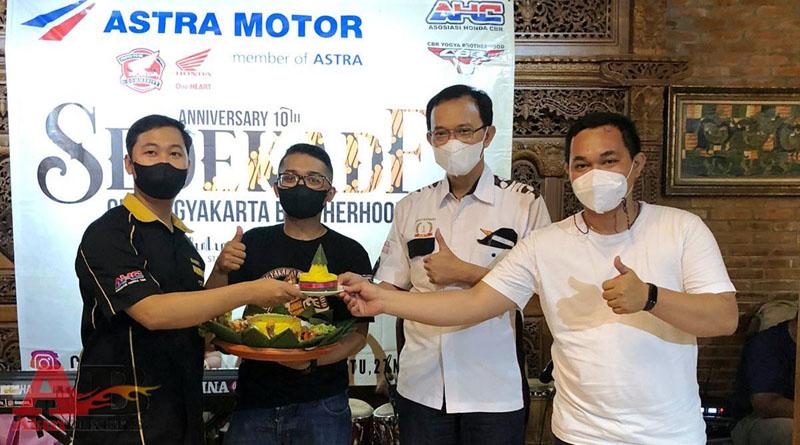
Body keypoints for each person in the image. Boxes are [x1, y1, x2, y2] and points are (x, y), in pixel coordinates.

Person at [341, 112, 739, 445]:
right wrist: (383, 299)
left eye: (608, 161)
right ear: (568, 172)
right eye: (581, 165)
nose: (594, 174)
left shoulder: (681, 228)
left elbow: (723, 317)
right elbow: (471, 303)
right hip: (578, 433)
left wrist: (650, 297)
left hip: (670, 433)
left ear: (636, 164)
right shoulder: (545, 244)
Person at [73, 115, 302, 444]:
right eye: (151, 152)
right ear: (129, 164)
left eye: (175, 153)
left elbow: (197, 320)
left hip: (181, 410)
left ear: (188, 166)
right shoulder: (110, 233)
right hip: (123, 418)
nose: (164, 161)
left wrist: (220, 271)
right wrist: (250, 291)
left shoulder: (184, 244)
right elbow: (152, 313)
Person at [370, 84, 551, 444]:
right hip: (422, 385)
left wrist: (468, 274)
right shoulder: (411, 207)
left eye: (464, 131)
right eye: (441, 133)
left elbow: (541, 298)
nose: (452, 142)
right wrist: (352, 290)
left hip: (493, 388)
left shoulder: (523, 204)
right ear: (430, 139)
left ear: (488, 135)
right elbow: (389, 287)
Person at [206, 143, 372, 445]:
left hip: (322, 403)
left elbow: (358, 335)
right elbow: (209, 312)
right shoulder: (252, 242)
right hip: (254, 401)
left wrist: (311, 363)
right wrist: (219, 269)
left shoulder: (350, 252)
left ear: (330, 193)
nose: (300, 185)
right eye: (290, 177)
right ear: (277, 188)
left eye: (313, 179)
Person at [731, 314, 796, 445]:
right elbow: (765, 404)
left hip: (792, 416)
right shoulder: (767, 343)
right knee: (789, 431)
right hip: (755, 419)